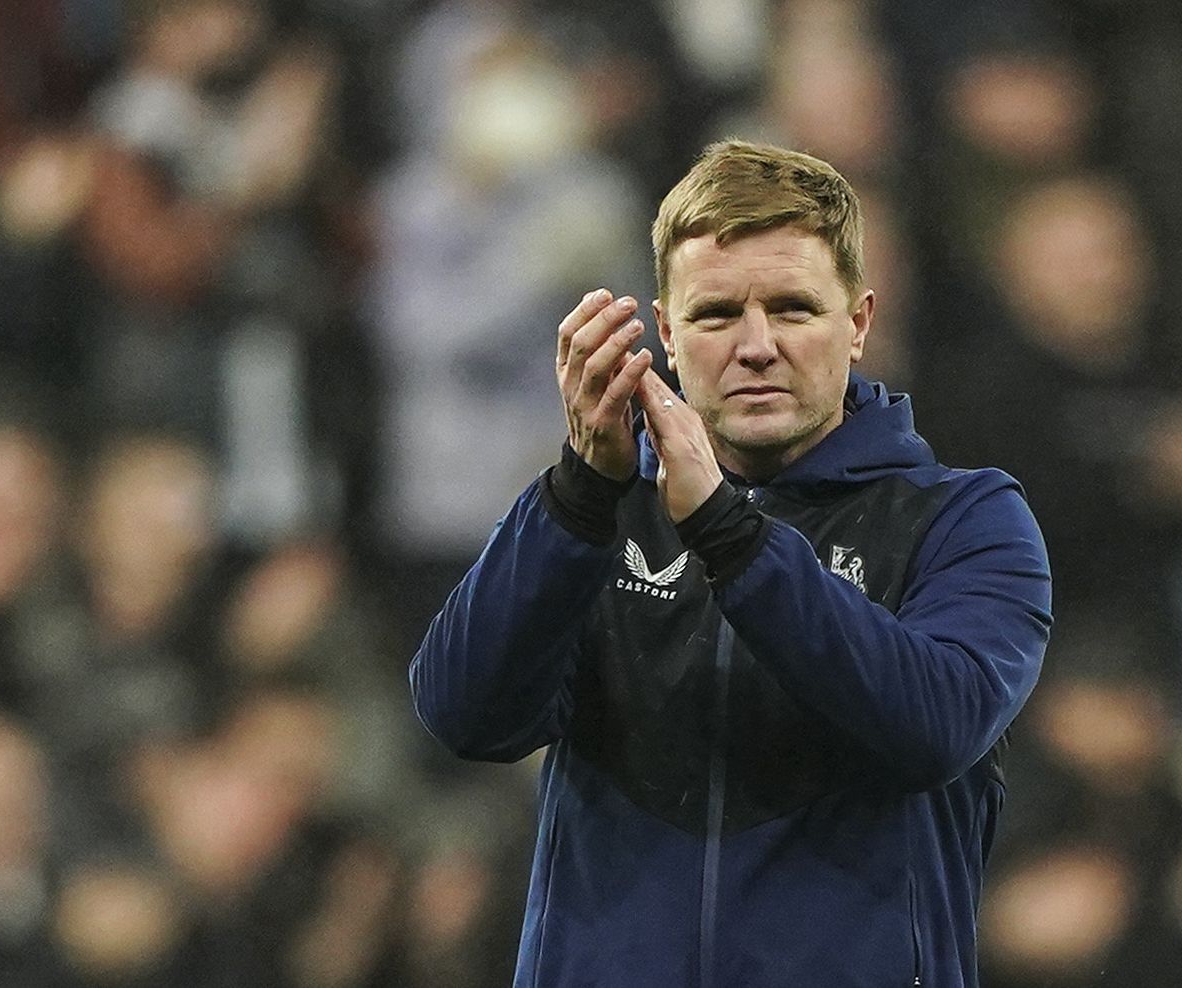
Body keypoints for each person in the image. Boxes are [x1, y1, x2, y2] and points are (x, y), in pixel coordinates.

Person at [409, 140, 1053, 987]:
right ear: (666, 332)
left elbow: (933, 725)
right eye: (716, 314)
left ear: (857, 323)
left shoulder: (962, 519)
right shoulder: (589, 520)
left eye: (792, 308)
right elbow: (464, 716)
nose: (755, 346)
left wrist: (727, 533)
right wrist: (573, 495)